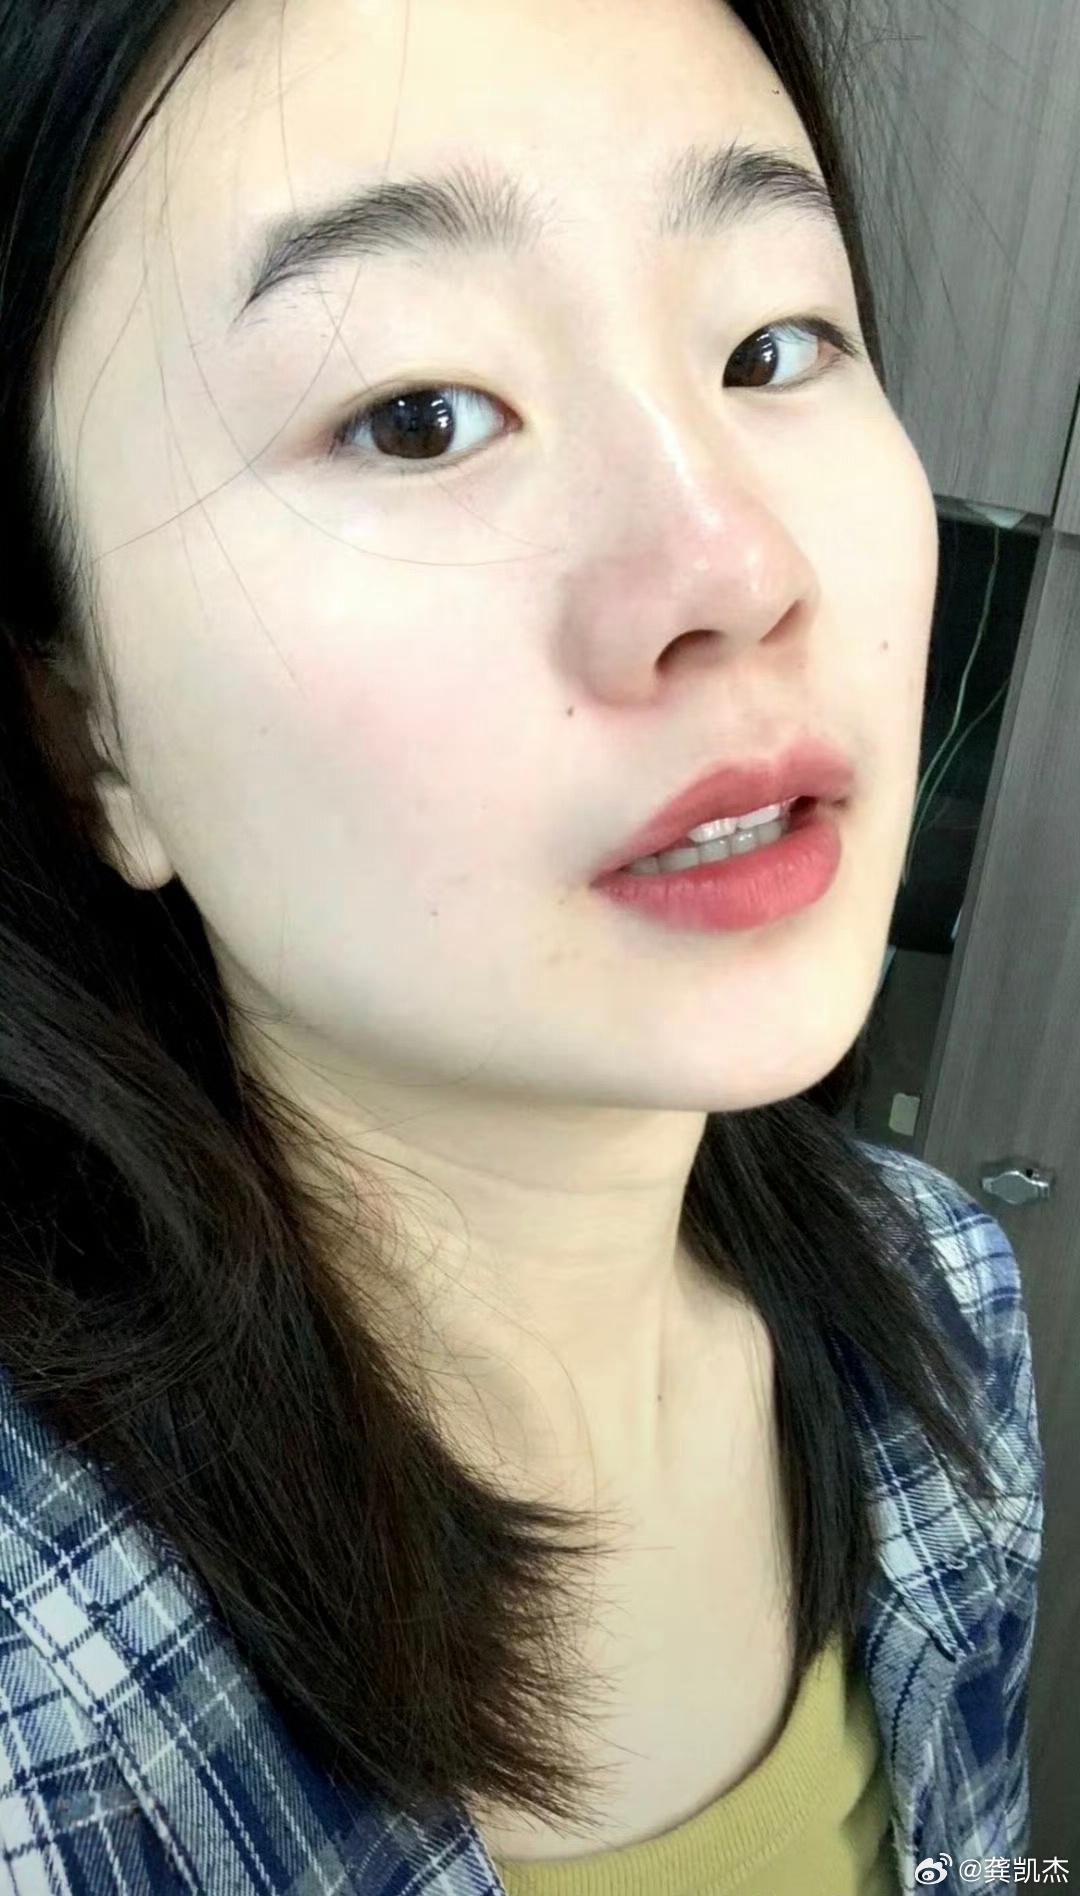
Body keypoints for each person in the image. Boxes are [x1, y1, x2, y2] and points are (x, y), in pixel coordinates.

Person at [0, 0, 1042, 1891]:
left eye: (772, 343)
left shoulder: (941, 1305)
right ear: (87, 736)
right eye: (417, 414)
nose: (735, 566)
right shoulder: (38, 1701)